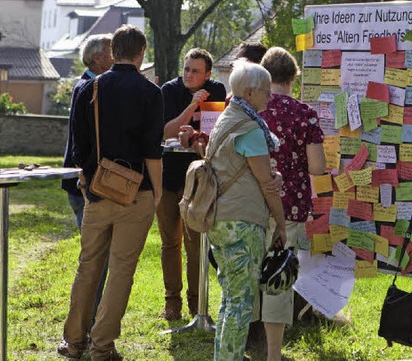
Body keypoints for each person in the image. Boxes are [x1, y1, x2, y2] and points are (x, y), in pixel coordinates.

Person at [58, 25, 163, 361]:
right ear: (141, 52)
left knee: (88, 267)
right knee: (120, 271)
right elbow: (152, 150)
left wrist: (87, 184)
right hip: (138, 191)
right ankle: (102, 346)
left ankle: (74, 342)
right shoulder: (150, 93)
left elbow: (78, 149)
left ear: (114, 51)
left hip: (98, 191)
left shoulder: (90, 87)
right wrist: (157, 192)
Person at [202, 59, 287, 361]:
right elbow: (267, 184)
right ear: (249, 93)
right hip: (242, 221)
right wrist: (281, 221)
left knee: (230, 299)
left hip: (220, 219)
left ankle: (224, 357)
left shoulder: (227, 118)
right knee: (241, 303)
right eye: (265, 91)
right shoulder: (249, 128)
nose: (269, 96)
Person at [259, 47, 326, 361]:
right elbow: (316, 168)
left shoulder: (248, 108)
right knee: (277, 279)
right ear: (292, 77)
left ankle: (239, 343)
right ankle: (273, 354)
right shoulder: (305, 114)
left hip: (251, 203)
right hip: (290, 206)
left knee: (245, 275)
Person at [158, 48, 226, 321]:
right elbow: (165, 132)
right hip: (168, 176)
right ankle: (171, 301)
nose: (189, 74)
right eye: (186, 68)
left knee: (195, 244)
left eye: (195, 71)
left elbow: (214, 133)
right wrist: (192, 105)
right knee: (169, 243)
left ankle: (197, 305)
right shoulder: (169, 90)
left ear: (207, 74)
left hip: (198, 179)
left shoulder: (217, 90)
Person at [62, 33, 113, 232]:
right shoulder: (90, 87)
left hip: (83, 177)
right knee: (96, 246)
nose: (116, 57)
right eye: (111, 52)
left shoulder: (87, 84)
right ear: (98, 58)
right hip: (84, 179)